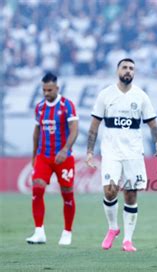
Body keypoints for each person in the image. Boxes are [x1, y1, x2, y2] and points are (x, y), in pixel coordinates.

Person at [86, 58, 157, 252]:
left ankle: (127, 240)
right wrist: (89, 152)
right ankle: (113, 228)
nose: (128, 71)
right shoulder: (105, 95)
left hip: (133, 153)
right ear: (117, 70)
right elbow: (94, 127)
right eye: (125, 67)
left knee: (130, 194)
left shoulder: (141, 96)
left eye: (131, 68)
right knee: (109, 190)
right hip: (111, 152)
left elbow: (153, 124)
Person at [26, 72, 79, 245]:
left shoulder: (67, 105)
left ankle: (67, 232)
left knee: (67, 194)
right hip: (44, 156)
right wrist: (34, 156)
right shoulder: (40, 107)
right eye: (44, 90)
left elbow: (74, 130)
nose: (46, 93)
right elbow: (36, 133)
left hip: (64, 158)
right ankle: (39, 231)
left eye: (49, 90)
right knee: (37, 189)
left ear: (57, 88)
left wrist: (65, 149)